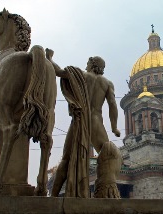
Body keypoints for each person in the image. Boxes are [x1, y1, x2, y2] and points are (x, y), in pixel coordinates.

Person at [46, 49, 121, 198]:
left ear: (92, 64)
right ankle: (108, 191)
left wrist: (49, 58)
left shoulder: (81, 75)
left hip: (81, 120)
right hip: (97, 122)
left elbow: (59, 72)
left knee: (66, 159)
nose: (86, 65)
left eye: (88, 63)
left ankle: (53, 197)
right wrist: (114, 127)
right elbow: (112, 104)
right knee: (109, 154)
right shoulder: (107, 83)